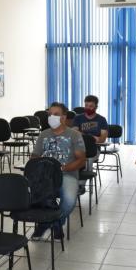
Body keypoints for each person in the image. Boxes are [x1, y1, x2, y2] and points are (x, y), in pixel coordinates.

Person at [31, 102, 86, 240]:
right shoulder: (43, 135)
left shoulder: (74, 135)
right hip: (45, 175)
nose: (51, 117)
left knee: (69, 200)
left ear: (63, 117)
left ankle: (53, 222)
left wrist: (63, 168)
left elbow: (81, 160)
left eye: (56, 114)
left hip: (67, 174)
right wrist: (38, 163)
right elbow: (35, 155)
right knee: (34, 196)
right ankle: (49, 223)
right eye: (49, 114)